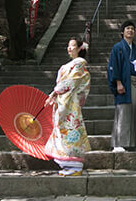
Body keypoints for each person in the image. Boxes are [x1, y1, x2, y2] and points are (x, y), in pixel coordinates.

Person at [43, 36, 91, 176]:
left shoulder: (80, 63)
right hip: (63, 101)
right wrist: (56, 94)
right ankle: (67, 165)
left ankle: (75, 166)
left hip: (70, 104)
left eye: (73, 46)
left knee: (70, 130)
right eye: (68, 46)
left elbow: (72, 81)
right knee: (61, 131)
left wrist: (54, 92)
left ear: (79, 48)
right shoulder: (68, 65)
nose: (69, 48)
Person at [107, 19, 136, 152]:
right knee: (124, 112)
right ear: (122, 32)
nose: (130, 31)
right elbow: (113, 66)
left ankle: (135, 144)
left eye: (132, 29)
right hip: (124, 84)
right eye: (127, 29)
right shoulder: (118, 48)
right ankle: (118, 143)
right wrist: (118, 82)